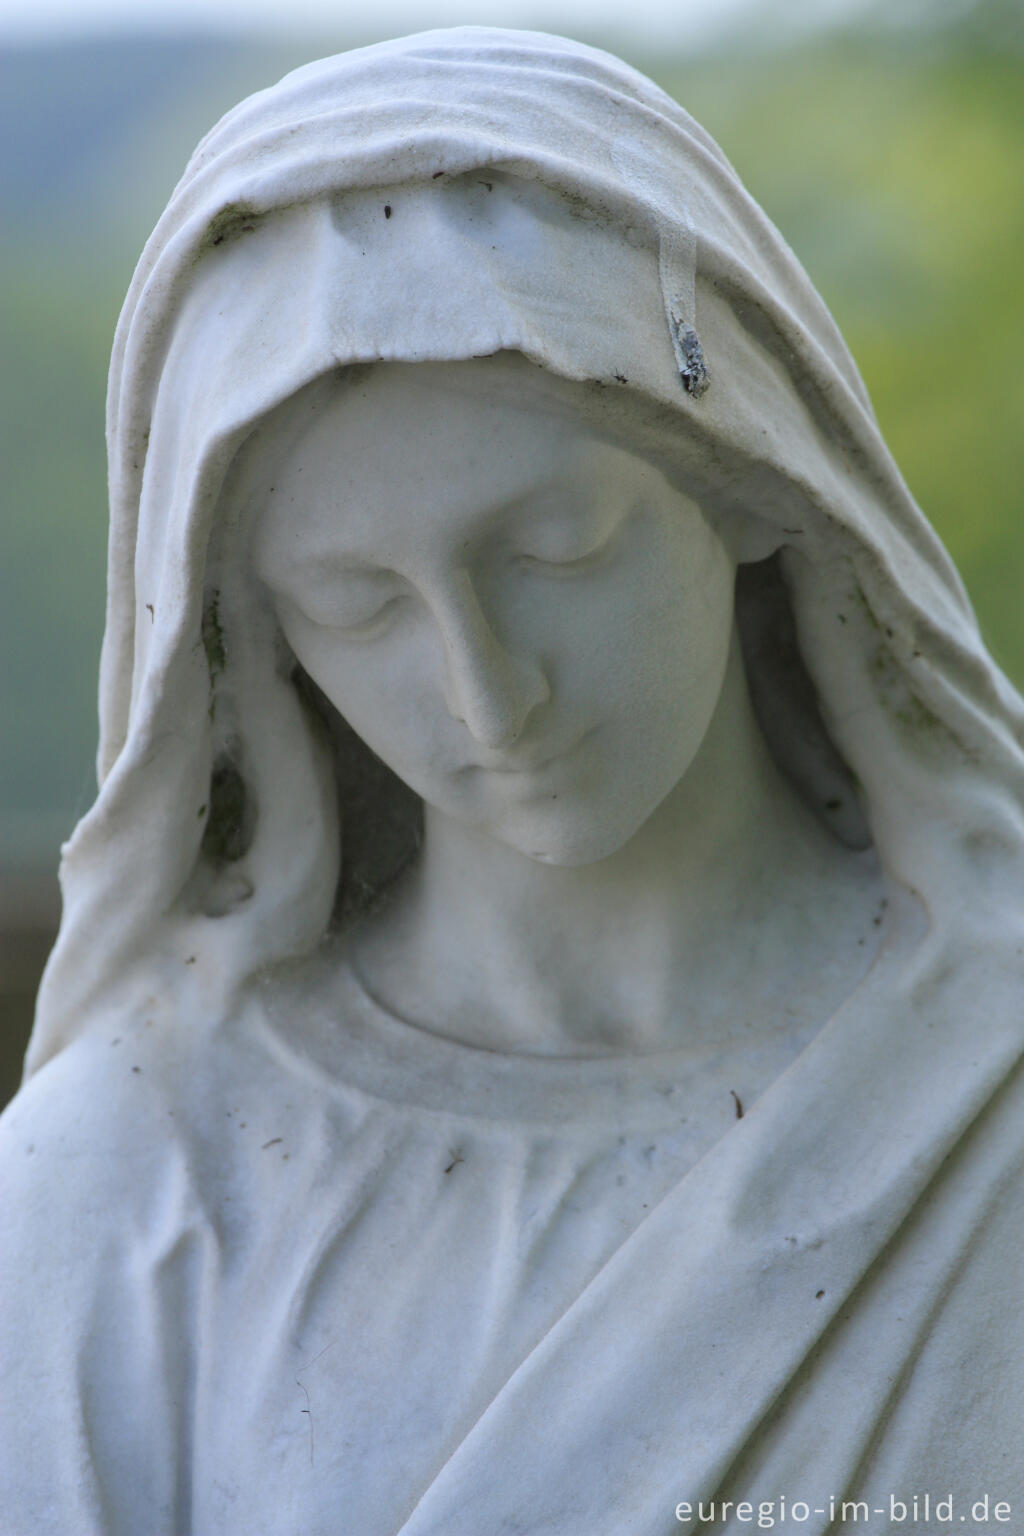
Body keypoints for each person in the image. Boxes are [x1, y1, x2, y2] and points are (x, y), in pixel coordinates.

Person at [2, 27, 1022, 1534]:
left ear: (746, 486)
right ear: (259, 641)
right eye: (357, 605)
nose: (487, 691)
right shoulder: (130, 1186)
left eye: (558, 550)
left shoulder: (983, 1088)